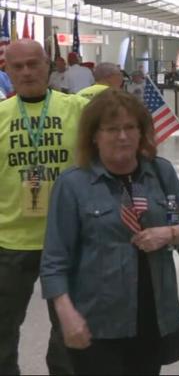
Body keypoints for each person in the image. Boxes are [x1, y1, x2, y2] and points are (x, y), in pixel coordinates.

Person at [41, 89, 179, 375]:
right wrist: (66, 316)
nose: (122, 136)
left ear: (142, 133)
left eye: (130, 127)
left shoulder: (160, 173)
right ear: (94, 135)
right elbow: (54, 262)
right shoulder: (72, 185)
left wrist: (170, 232)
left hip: (151, 317)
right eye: (112, 129)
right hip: (98, 322)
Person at [0, 40, 85, 375]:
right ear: (6, 70)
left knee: (68, 333)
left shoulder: (76, 108)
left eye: (33, 64)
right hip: (9, 242)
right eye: (16, 66)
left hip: (66, 241)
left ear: (49, 65)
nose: (26, 72)